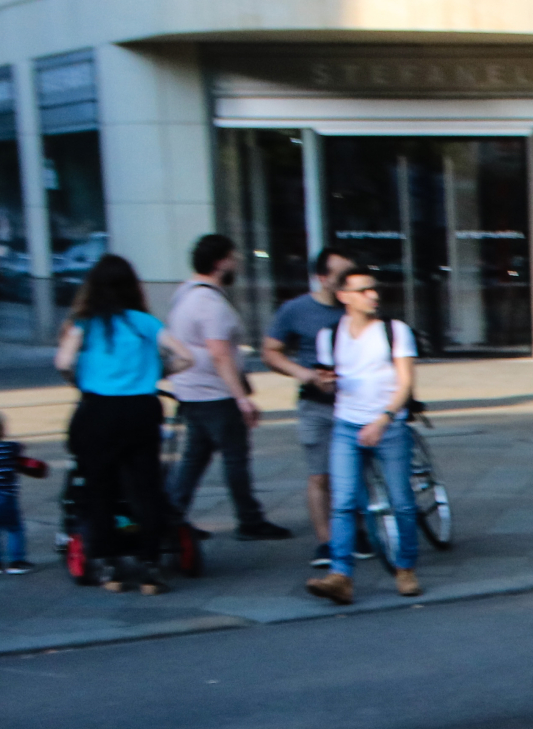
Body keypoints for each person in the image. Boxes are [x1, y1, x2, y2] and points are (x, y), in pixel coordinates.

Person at [56, 255, 196, 594]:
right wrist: (158, 373)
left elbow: (62, 361)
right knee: (146, 487)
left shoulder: (86, 323)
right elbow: (187, 356)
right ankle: (150, 565)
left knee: (99, 487)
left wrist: (80, 378)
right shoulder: (145, 323)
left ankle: (108, 564)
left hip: (99, 410)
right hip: (141, 409)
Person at [304, 264, 419, 606]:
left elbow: (406, 383)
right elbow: (329, 379)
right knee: (342, 502)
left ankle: (406, 568)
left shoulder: (394, 331)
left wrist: (383, 419)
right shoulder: (330, 334)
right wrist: (326, 383)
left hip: (388, 424)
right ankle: (341, 576)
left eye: (374, 289)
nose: (373, 295)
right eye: (364, 290)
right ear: (344, 297)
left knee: (401, 500)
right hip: (346, 424)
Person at [165, 233, 286, 543]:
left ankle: (172, 516)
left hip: (191, 391)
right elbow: (220, 354)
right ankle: (249, 519)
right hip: (215, 393)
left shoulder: (185, 294)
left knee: (195, 456)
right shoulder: (210, 303)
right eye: (233, 258)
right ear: (220, 263)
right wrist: (242, 398)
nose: (237, 263)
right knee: (234, 458)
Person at [262, 247, 354, 570]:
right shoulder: (296, 310)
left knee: (360, 471)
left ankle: (359, 530)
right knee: (320, 475)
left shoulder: (356, 308)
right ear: (322, 278)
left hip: (355, 401)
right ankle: (326, 541)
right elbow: (270, 351)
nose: (349, 283)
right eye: (342, 276)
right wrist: (304, 374)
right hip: (316, 403)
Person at [0, 410, 37, 574]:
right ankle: (17, 561)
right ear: (2, 430)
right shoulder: (9, 448)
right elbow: (20, 447)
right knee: (15, 528)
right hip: (6, 498)